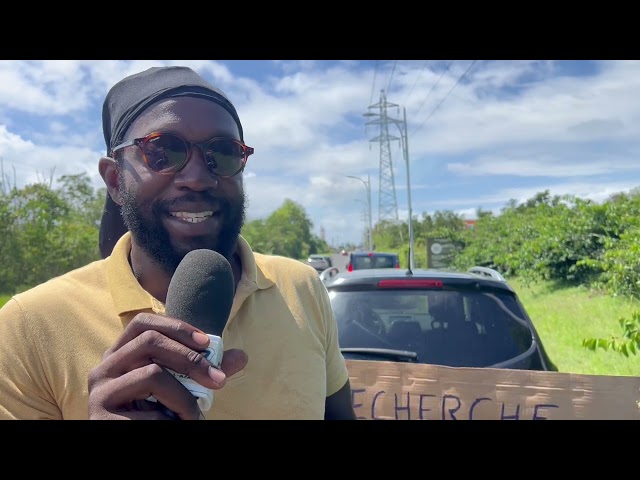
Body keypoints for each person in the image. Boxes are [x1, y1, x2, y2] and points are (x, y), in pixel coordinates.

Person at [0, 65, 357, 420]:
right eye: (163, 151)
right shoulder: (28, 326)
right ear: (114, 180)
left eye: (224, 153)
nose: (198, 178)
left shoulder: (301, 287)